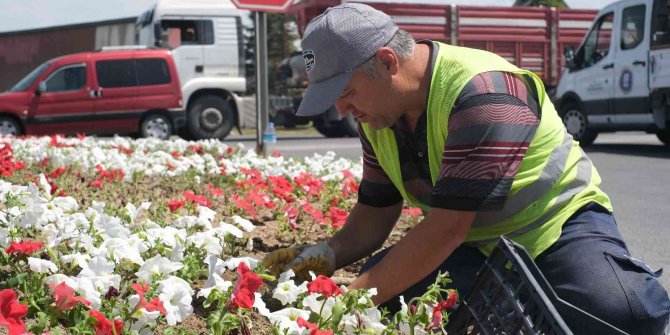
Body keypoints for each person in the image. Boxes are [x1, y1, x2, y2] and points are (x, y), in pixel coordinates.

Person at [262, 3, 670, 334]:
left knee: (622, 313)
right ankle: (518, 300)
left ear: (387, 62)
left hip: (555, 230)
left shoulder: (485, 92)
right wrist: (328, 253)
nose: (342, 109)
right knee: (382, 288)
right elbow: (375, 212)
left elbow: (446, 229)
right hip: (476, 245)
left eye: (346, 92)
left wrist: (343, 304)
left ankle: (583, 280)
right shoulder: (378, 116)